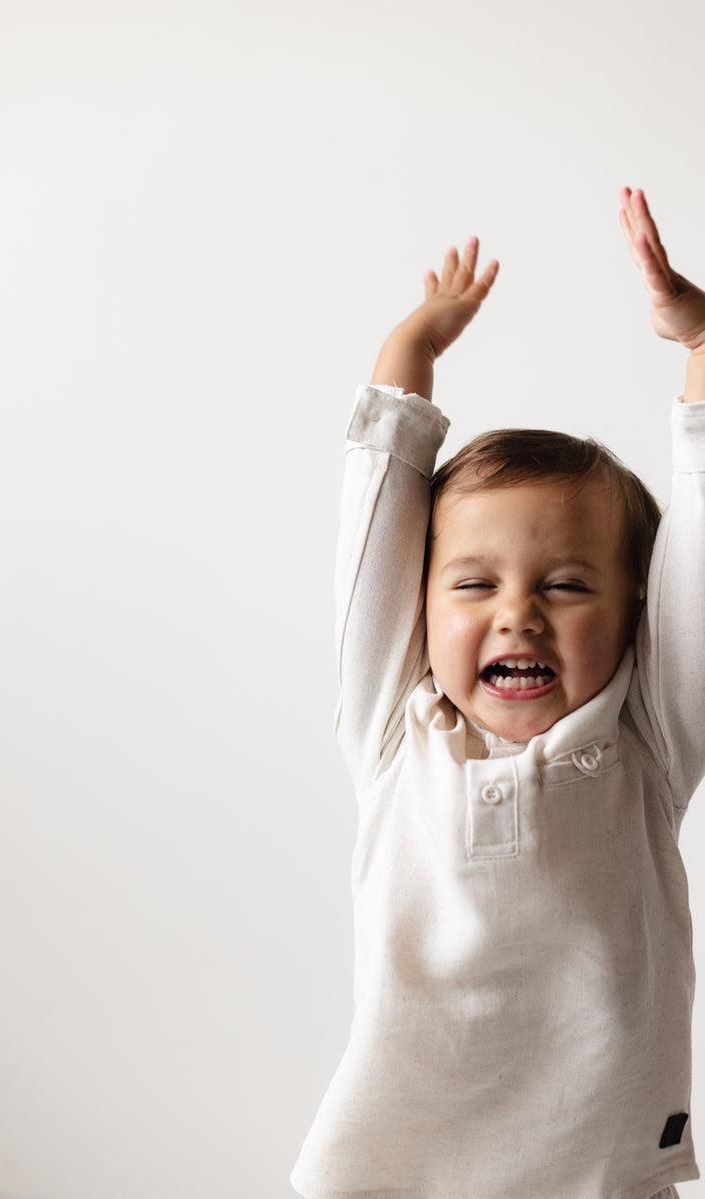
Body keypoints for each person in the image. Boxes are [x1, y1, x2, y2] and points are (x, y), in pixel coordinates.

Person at [290, 189, 705, 1199]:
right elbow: (376, 521)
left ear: (637, 610)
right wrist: (409, 352)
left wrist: (699, 342)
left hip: (600, 1169)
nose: (516, 612)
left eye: (564, 585)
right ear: (419, 605)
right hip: (395, 1162)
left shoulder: (646, 740)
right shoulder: (396, 727)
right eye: (473, 585)